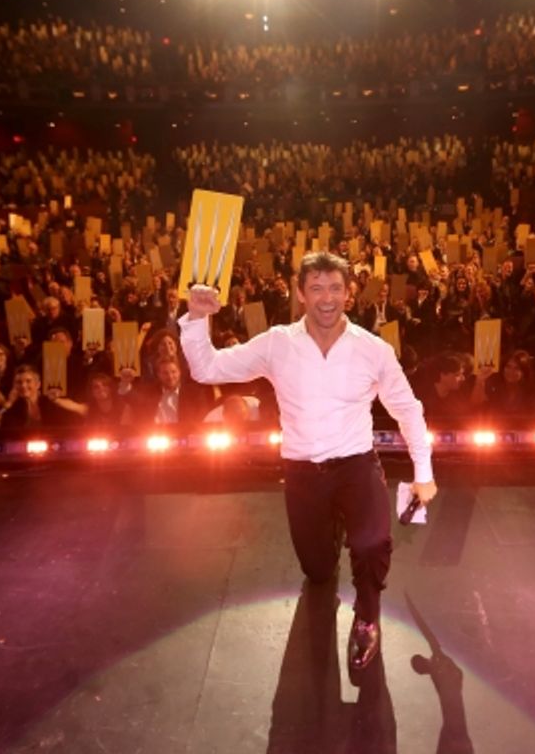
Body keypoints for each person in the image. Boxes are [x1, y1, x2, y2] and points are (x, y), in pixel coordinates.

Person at [178, 251, 436, 676]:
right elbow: (207, 369)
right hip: (301, 473)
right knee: (317, 570)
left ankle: (368, 619)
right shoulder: (278, 343)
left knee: (371, 544)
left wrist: (423, 474)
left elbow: (408, 410)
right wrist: (196, 317)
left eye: (335, 287)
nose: (326, 298)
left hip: (356, 464)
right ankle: (331, 536)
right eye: (316, 288)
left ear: (349, 294)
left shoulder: (374, 350)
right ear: (300, 294)